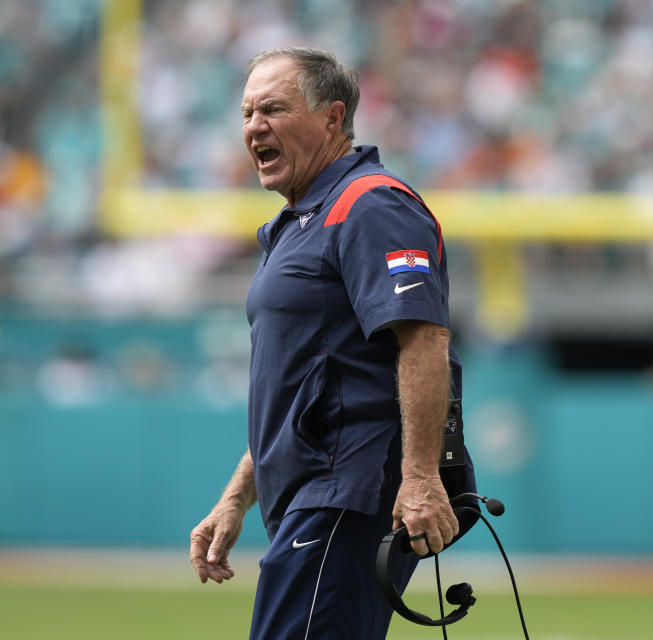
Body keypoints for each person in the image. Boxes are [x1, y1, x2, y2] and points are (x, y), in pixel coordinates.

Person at [188, 47, 476, 639]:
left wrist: (420, 476)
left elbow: (424, 337)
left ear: (332, 117)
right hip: (316, 494)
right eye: (246, 113)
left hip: (348, 489)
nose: (254, 127)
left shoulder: (369, 203)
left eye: (272, 109)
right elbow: (305, 385)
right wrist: (236, 497)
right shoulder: (299, 221)